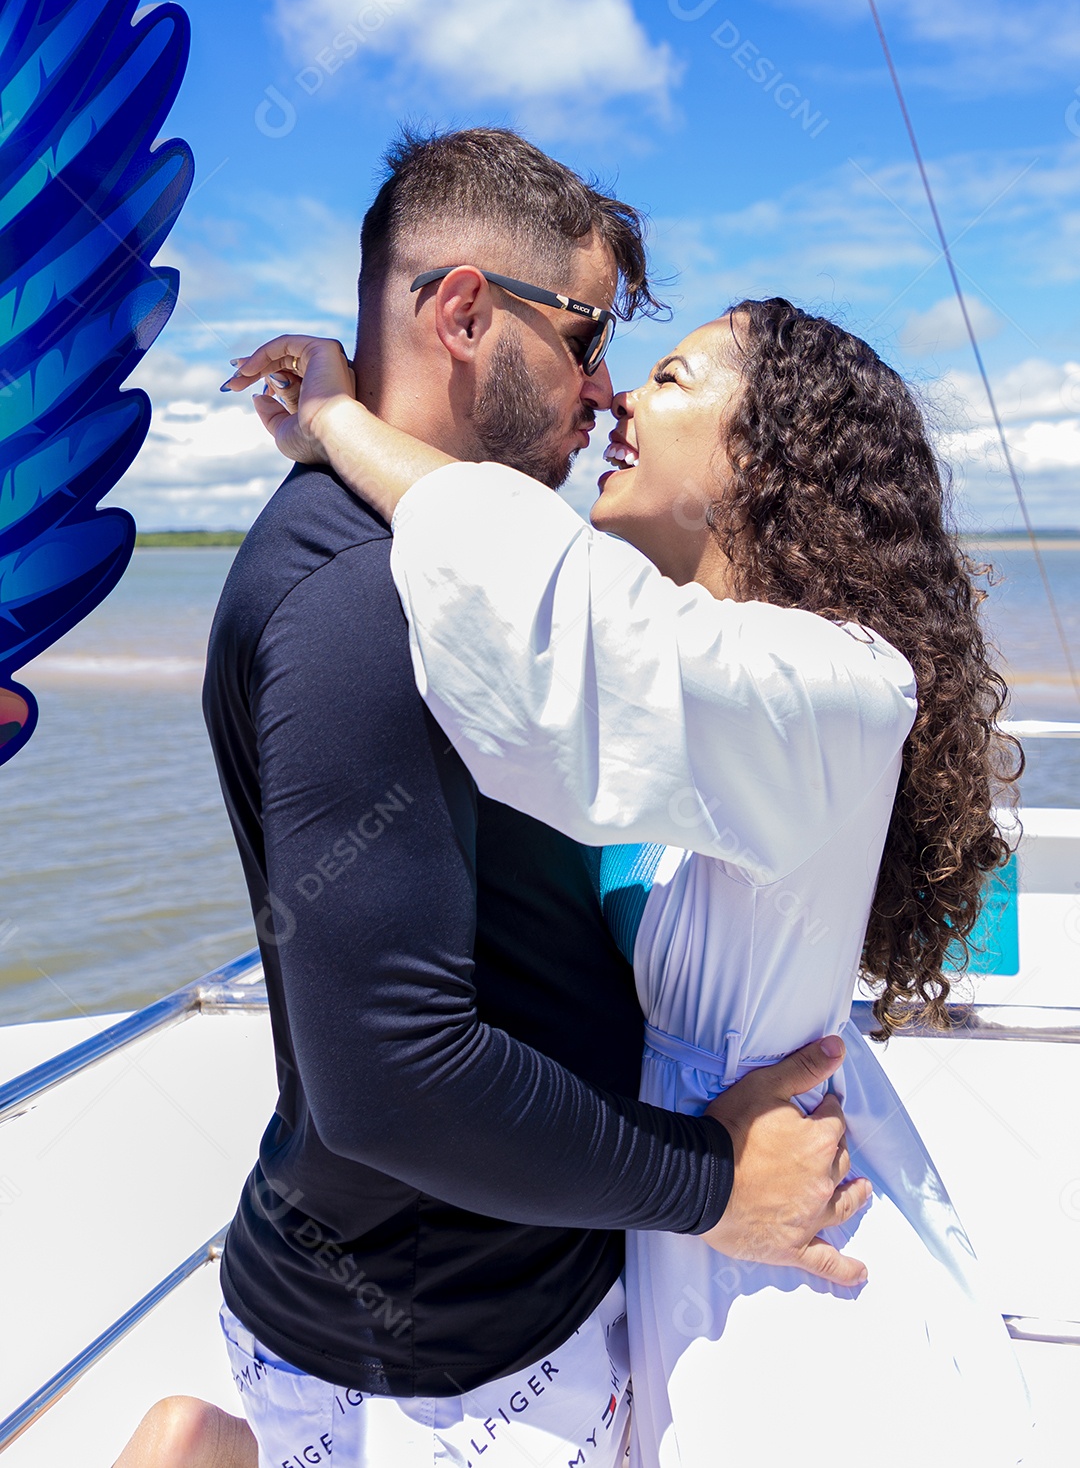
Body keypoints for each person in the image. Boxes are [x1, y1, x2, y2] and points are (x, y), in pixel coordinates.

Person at [115, 133, 867, 1468]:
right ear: (463, 311)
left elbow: (580, 605)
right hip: (456, 1364)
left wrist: (338, 423)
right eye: (582, 337)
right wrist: (717, 1186)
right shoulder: (361, 597)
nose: (601, 387)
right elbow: (398, 1081)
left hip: (472, 1295)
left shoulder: (442, 568)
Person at [232, 294, 1034, 1467]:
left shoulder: (843, 683)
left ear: (766, 451)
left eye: (664, 377)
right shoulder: (701, 660)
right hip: (681, 1197)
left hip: (776, 1220)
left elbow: (552, 601)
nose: (612, 397)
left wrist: (342, 424)